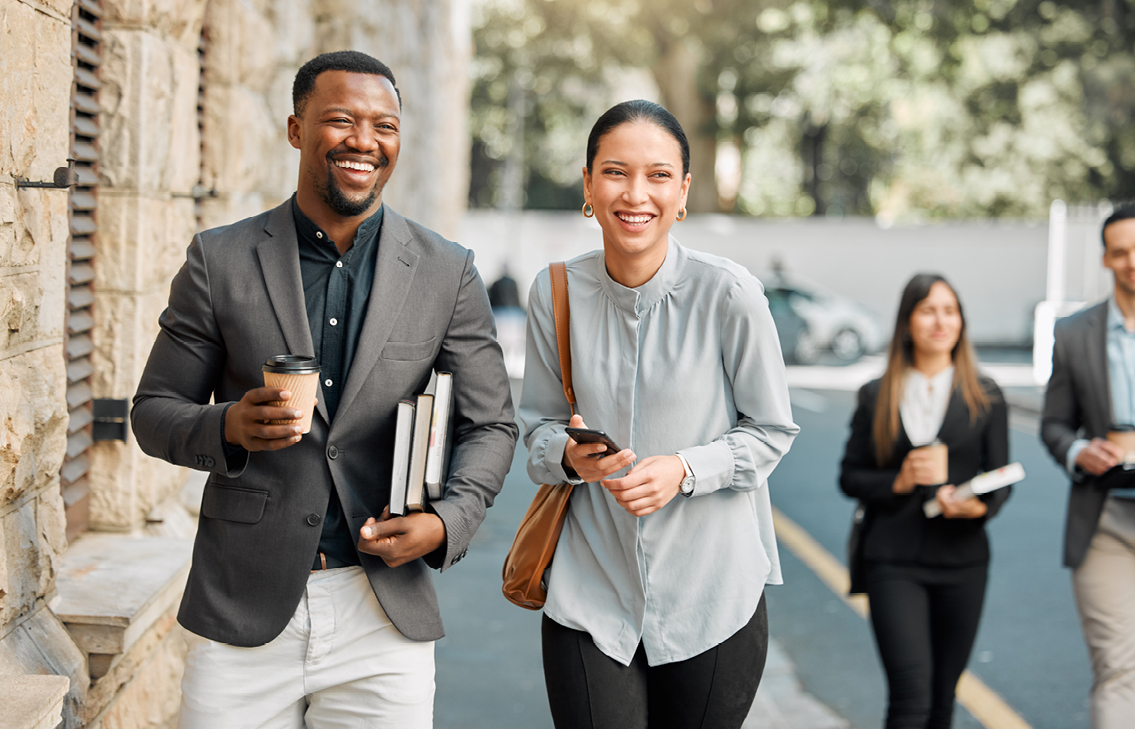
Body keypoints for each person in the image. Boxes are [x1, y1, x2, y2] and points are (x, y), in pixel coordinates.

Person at [131, 50, 517, 728]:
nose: (364, 140)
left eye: (384, 125)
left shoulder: (445, 272)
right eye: (340, 120)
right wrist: (227, 426)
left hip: (384, 618)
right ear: (295, 129)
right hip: (242, 609)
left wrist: (446, 521)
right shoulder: (218, 261)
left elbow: (490, 425)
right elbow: (153, 413)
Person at [518, 99, 799, 729]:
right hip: (590, 592)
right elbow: (535, 429)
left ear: (684, 191)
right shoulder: (554, 291)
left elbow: (772, 430)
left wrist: (685, 468)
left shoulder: (730, 293)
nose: (635, 194)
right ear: (588, 184)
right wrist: (568, 455)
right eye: (615, 172)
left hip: (713, 596)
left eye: (659, 175)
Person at [839, 274, 1010, 729]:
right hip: (892, 559)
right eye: (928, 310)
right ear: (907, 321)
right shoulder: (877, 393)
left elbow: (1001, 478)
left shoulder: (986, 394)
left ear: (961, 322)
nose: (941, 321)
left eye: (950, 310)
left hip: (963, 561)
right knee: (910, 697)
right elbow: (849, 476)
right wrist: (899, 481)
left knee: (941, 703)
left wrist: (977, 506)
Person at [1041, 204, 1135, 728]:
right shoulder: (1074, 333)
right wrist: (1079, 452)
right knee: (1118, 668)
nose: (1132, 263)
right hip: (1104, 522)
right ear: (1105, 258)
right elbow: (1054, 424)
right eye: (1121, 252)